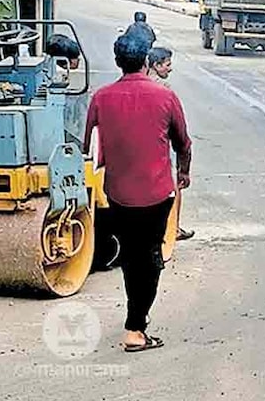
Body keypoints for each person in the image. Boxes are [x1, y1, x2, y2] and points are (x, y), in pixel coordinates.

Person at [84, 32, 192, 353]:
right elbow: (183, 142)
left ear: (117, 62)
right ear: (146, 60)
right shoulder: (165, 96)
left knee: (132, 258)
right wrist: (183, 172)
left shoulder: (101, 97)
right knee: (150, 258)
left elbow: (89, 144)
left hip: (117, 194)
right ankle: (135, 328)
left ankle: (135, 321)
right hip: (157, 194)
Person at [145, 47, 195, 243]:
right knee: (175, 187)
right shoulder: (164, 90)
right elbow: (180, 134)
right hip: (159, 149)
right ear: (156, 66)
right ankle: (172, 229)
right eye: (168, 64)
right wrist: (185, 168)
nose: (170, 68)